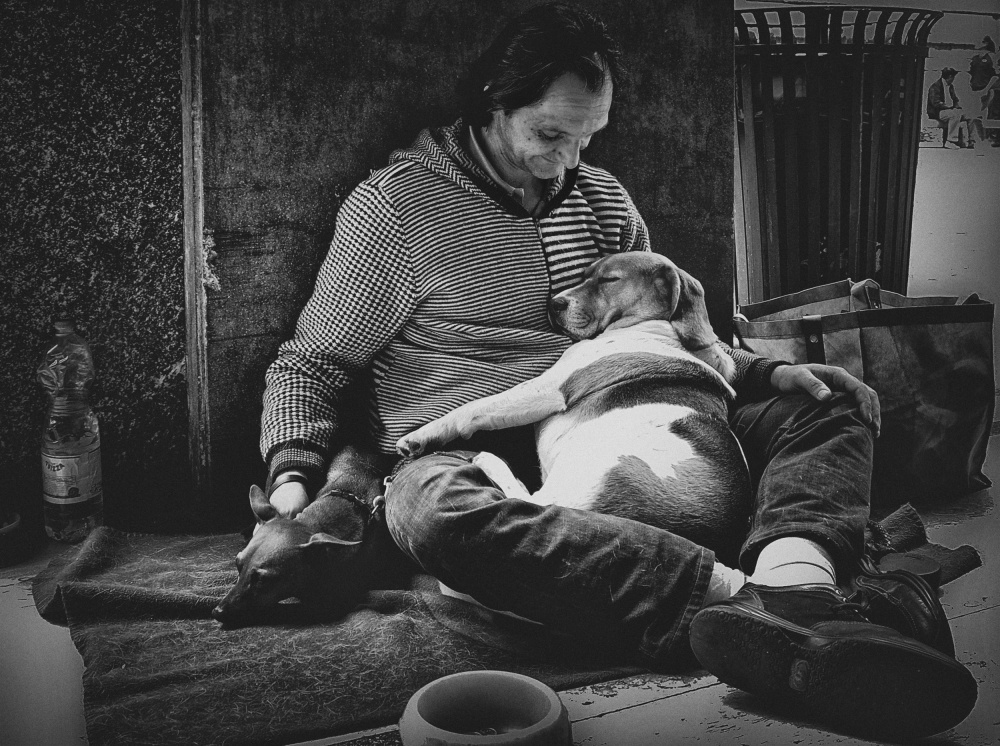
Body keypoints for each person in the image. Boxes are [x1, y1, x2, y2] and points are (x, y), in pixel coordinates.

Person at [260, 4, 977, 740]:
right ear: (493, 104)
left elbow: (671, 339)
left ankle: (800, 581)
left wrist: (767, 375)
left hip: (627, 408)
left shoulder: (603, 200)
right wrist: (291, 480)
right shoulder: (397, 209)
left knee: (831, 402)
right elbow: (312, 364)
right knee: (428, 516)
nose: (570, 162)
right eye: (550, 135)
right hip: (464, 450)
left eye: (587, 138)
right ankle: (752, 602)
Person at [927, 67, 973, 148]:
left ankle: (969, 140)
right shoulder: (935, 87)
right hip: (938, 112)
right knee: (954, 114)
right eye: (953, 77)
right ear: (950, 76)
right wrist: (948, 107)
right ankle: (950, 141)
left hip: (950, 110)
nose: (953, 79)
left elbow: (955, 100)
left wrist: (958, 107)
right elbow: (935, 103)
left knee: (969, 116)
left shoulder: (950, 86)